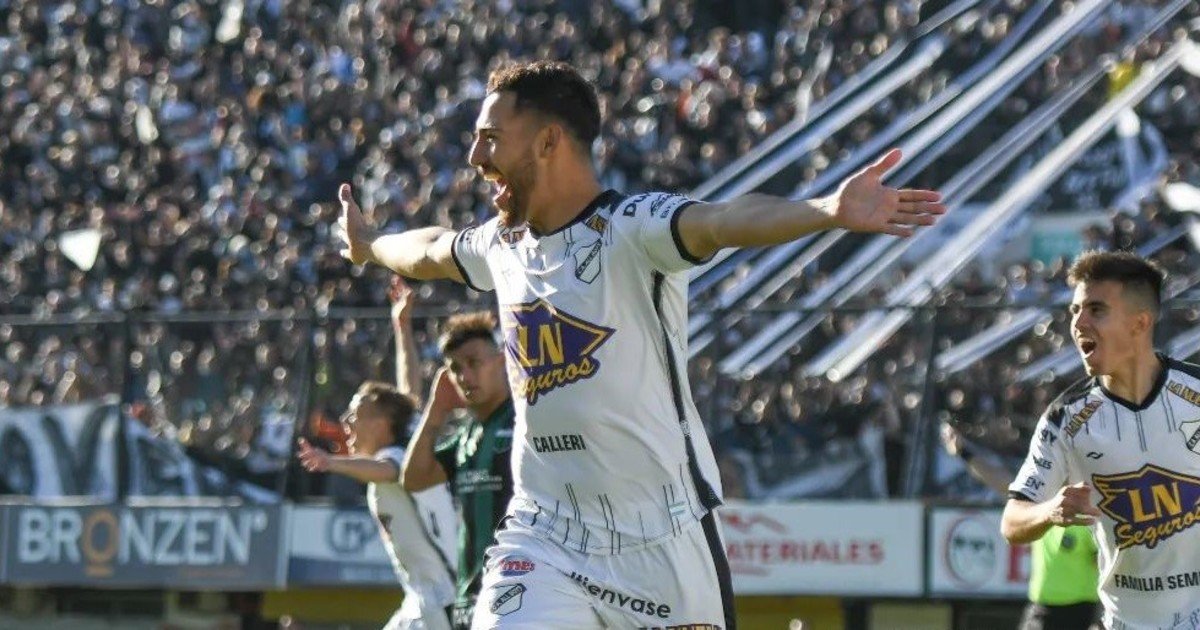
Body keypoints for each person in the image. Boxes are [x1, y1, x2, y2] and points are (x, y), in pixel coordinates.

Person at [336, 60, 945, 628]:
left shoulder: (633, 228)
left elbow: (722, 220)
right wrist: (370, 246)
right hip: (544, 533)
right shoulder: (501, 245)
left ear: (548, 142)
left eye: (490, 138)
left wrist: (825, 210)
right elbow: (429, 249)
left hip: (664, 539)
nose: (475, 157)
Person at [1002, 250, 1200, 629]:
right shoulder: (1066, 418)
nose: (1079, 323)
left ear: (1140, 322)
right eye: (1075, 311)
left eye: (1096, 310)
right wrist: (1050, 510)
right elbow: (1012, 521)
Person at [298, 380, 458, 630]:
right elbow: (409, 385)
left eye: (355, 414)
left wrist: (331, 462)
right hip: (420, 598)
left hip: (442, 598)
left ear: (381, 424)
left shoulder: (398, 456)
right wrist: (405, 350)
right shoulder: (408, 444)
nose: (346, 420)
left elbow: (388, 470)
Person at [402, 310, 517, 629]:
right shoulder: (466, 436)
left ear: (501, 361)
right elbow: (414, 479)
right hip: (469, 597)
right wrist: (436, 410)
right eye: (455, 369)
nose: (464, 376)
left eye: (473, 363)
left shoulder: (524, 422)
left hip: (517, 591)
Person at [941, 423, 1101, 630]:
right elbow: (1001, 481)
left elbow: (1107, 568)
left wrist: (1101, 618)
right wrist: (965, 452)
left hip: (1081, 613)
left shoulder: (1091, 512)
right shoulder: (1042, 500)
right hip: (1042, 608)